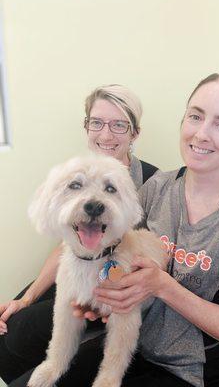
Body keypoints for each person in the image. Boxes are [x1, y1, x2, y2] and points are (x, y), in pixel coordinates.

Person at [7, 73, 219, 387]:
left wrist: (163, 286)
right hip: (137, 350)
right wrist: (105, 299)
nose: (202, 134)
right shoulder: (157, 188)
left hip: (201, 374)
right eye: (195, 116)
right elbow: (110, 248)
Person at [0, 84, 158, 385]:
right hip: (78, 268)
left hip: (116, 285)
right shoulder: (76, 172)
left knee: (22, 335)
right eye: (97, 123)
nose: (106, 134)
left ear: (134, 133)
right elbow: (67, 246)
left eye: (119, 124)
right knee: (10, 327)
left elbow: (158, 256)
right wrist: (27, 297)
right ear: (86, 126)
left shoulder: (153, 183)